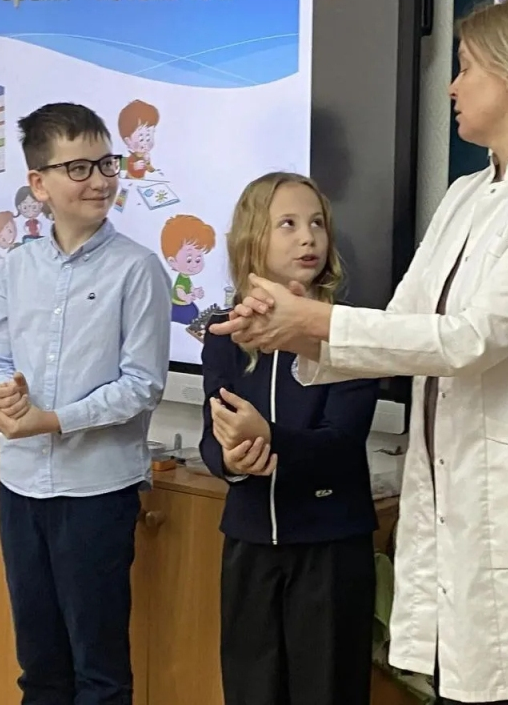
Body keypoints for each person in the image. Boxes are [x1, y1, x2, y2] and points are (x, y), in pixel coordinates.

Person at [210, 0, 508, 704]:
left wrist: (311, 320)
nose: (452, 87)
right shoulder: (466, 194)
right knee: (463, 684)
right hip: (457, 491)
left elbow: (473, 338)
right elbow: (403, 324)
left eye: (466, 68)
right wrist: (285, 328)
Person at [0, 102, 171, 705]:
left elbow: (142, 384)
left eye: (107, 163)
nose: (101, 180)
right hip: (19, 487)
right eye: (79, 168)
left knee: (99, 672)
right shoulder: (19, 264)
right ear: (39, 184)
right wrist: (2, 390)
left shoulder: (138, 269)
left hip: (96, 491)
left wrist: (53, 420)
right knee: (39, 666)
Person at [198, 171, 380, 705]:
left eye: (317, 223)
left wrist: (268, 440)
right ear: (252, 238)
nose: (308, 238)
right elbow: (212, 436)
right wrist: (232, 460)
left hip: (330, 547)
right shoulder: (225, 333)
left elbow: (341, 443)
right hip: (250, 543)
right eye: (289, 224)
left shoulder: (350, 329)